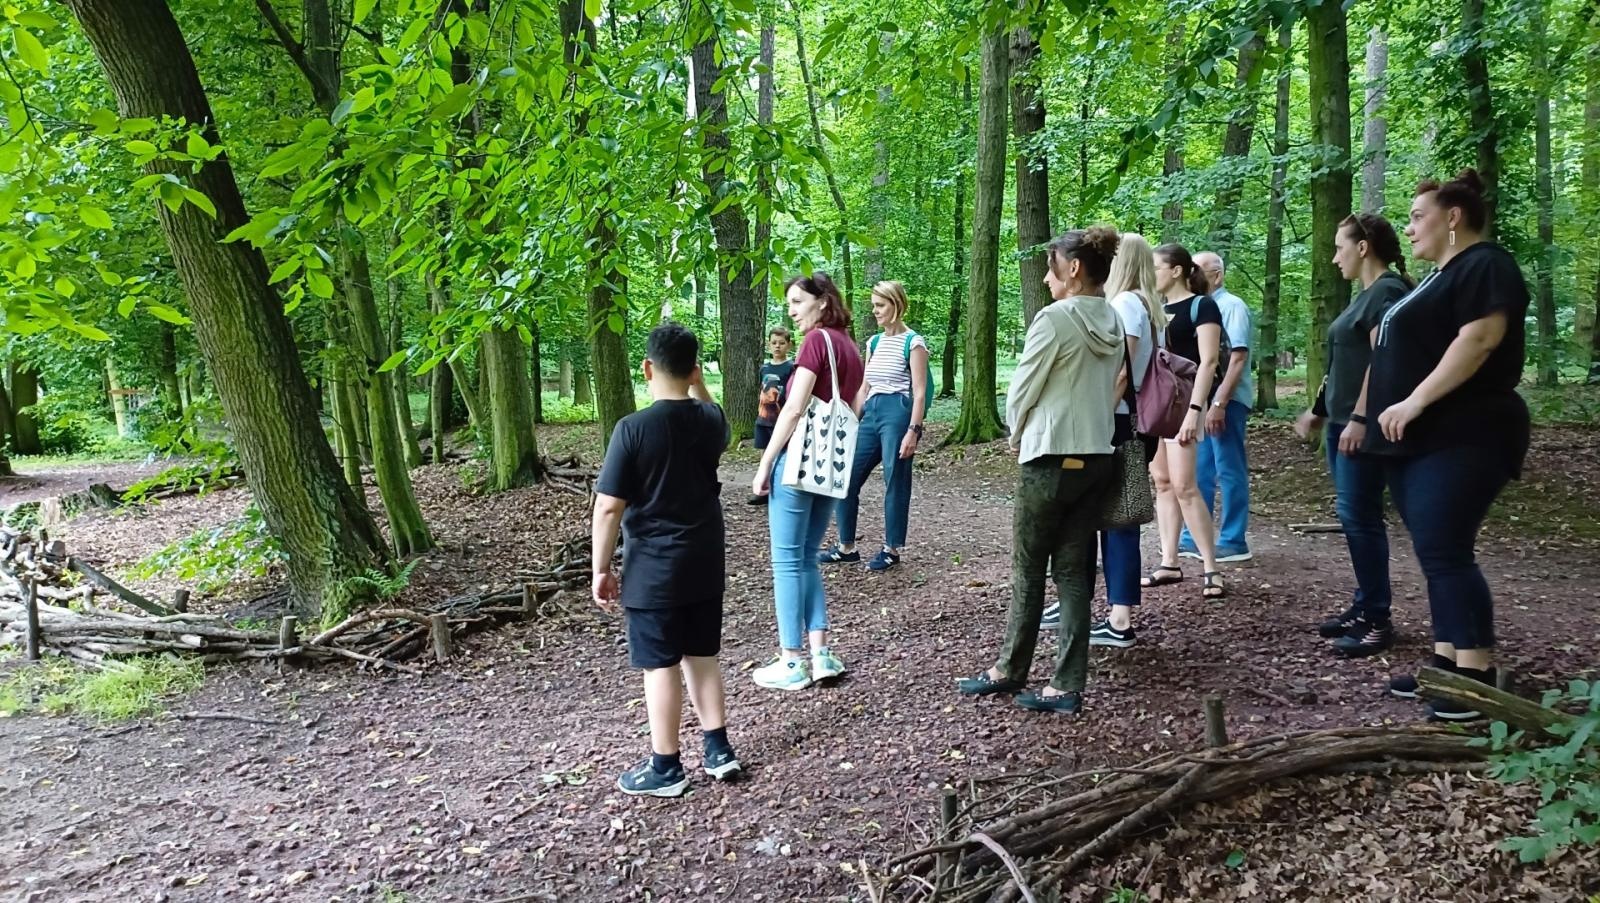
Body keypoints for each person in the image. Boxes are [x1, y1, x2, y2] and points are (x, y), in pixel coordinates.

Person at [1366, 169, 1530, 721]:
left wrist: (1413, 402)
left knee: (1447, 551)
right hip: (1424, 441)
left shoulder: (1486, 264)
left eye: (1417, 216)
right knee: (1436, 552)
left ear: (1453, 218)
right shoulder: (1439, 276)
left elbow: (1480, 338)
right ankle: (1447, 662)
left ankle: (1477, 677)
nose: (1409, 228)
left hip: (1468, 432)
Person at [957, 227, 1125, 715]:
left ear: (1073, 270)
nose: (1048, 280)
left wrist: (1016, 434)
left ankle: (1009, 669)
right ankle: (1067, 685)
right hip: (1096, 458)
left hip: (1050, 459)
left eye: (1052, 269)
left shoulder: (1055, 319)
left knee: (1029, 568)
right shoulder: (1114, 319)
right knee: (1074, 573)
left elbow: (1022, 390)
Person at [591, 323, 743, 797]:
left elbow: (609, 506)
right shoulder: (711, 423)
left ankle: (666, 767)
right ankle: (718, 751)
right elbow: (711, 406)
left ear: (646, 368)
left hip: (654, 567)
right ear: (696, 370)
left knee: (660, 664)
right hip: (704, 559)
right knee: (702, 655)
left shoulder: (633, 429)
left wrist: (600, 568)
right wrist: (696, 381)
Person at [1296, 213, 1414, 657]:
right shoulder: (1365, 295)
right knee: (1353, 517)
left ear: (1363, 247)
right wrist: (1320, 410)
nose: (1334, 257)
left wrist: (1362, 417)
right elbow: (1343, 361)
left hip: (1362, 426)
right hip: (1342, 422)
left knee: (1361, 518)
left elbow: (1382, 360)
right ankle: (1364, 606)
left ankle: (1378, 619)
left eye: (1339, 247)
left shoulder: (1388, 291)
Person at [1041, 232, 1166, 647]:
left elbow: (1122, 372)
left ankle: (1120, 618)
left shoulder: (1126, 305)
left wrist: (1093, 417)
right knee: (1099, 518)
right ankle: (1084, 603)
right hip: (1125, 423)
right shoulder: (1146, 305)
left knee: (1117, 520)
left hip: (1116, 423)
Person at [749, 272, 865, 691]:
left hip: (798, 464)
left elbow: (794, 408)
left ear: (822, 301)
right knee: (808, 557)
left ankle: (791, 660)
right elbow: (855, 407)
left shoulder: (817, 342)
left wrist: (765, 463)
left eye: (798, 302)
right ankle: (820, 655)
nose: (792, 311)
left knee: (786, 561)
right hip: (830, 468)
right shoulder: (850, 347)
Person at [819, 281, 929, 571]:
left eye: (880, 305)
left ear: (896, 305)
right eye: (874, 305)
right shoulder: (874, 342)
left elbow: (919, 392)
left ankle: (891, 549)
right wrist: (849, 422)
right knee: (846, 477)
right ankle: (846, 547)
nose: (875, 310)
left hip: (897, 412)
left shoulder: (913, 343)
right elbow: (864, 386)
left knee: (895, 479)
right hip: (872, 413)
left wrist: (913, 431)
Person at [1142, 244, 1227, 600]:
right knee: (1162, 482)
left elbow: (1208, 361)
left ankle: (1211, 568)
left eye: (1157, 268)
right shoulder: (1155, 310)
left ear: (1176, 270)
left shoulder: (1201, 306)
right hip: (1158, 404)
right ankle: (1170, 561)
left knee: (1185, 486)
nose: (1152, 275)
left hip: (1185, 403)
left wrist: (1196, 410)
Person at [1180, 252, 1254, 563]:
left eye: (1197, 270)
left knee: (1229, 468)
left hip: (1227, 401)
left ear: (1217, 276)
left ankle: (1234, 539)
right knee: (1201, 469)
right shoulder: (1198, 307)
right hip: (1205, 401)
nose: (1191, 274)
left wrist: (1220, 403)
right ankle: (1195, 536)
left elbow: (1237, 358)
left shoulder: (1231, 306)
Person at [749, 327, 796, 506]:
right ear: (769, 344)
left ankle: (783, 490)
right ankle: (763, 488)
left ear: (789, 345)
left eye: (782, 343)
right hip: (763, 418)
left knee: (783, 454)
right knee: (764, 453)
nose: (777, 347)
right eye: (774, 343)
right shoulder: (764, 368)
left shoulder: (791, 368)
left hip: (781, 419)